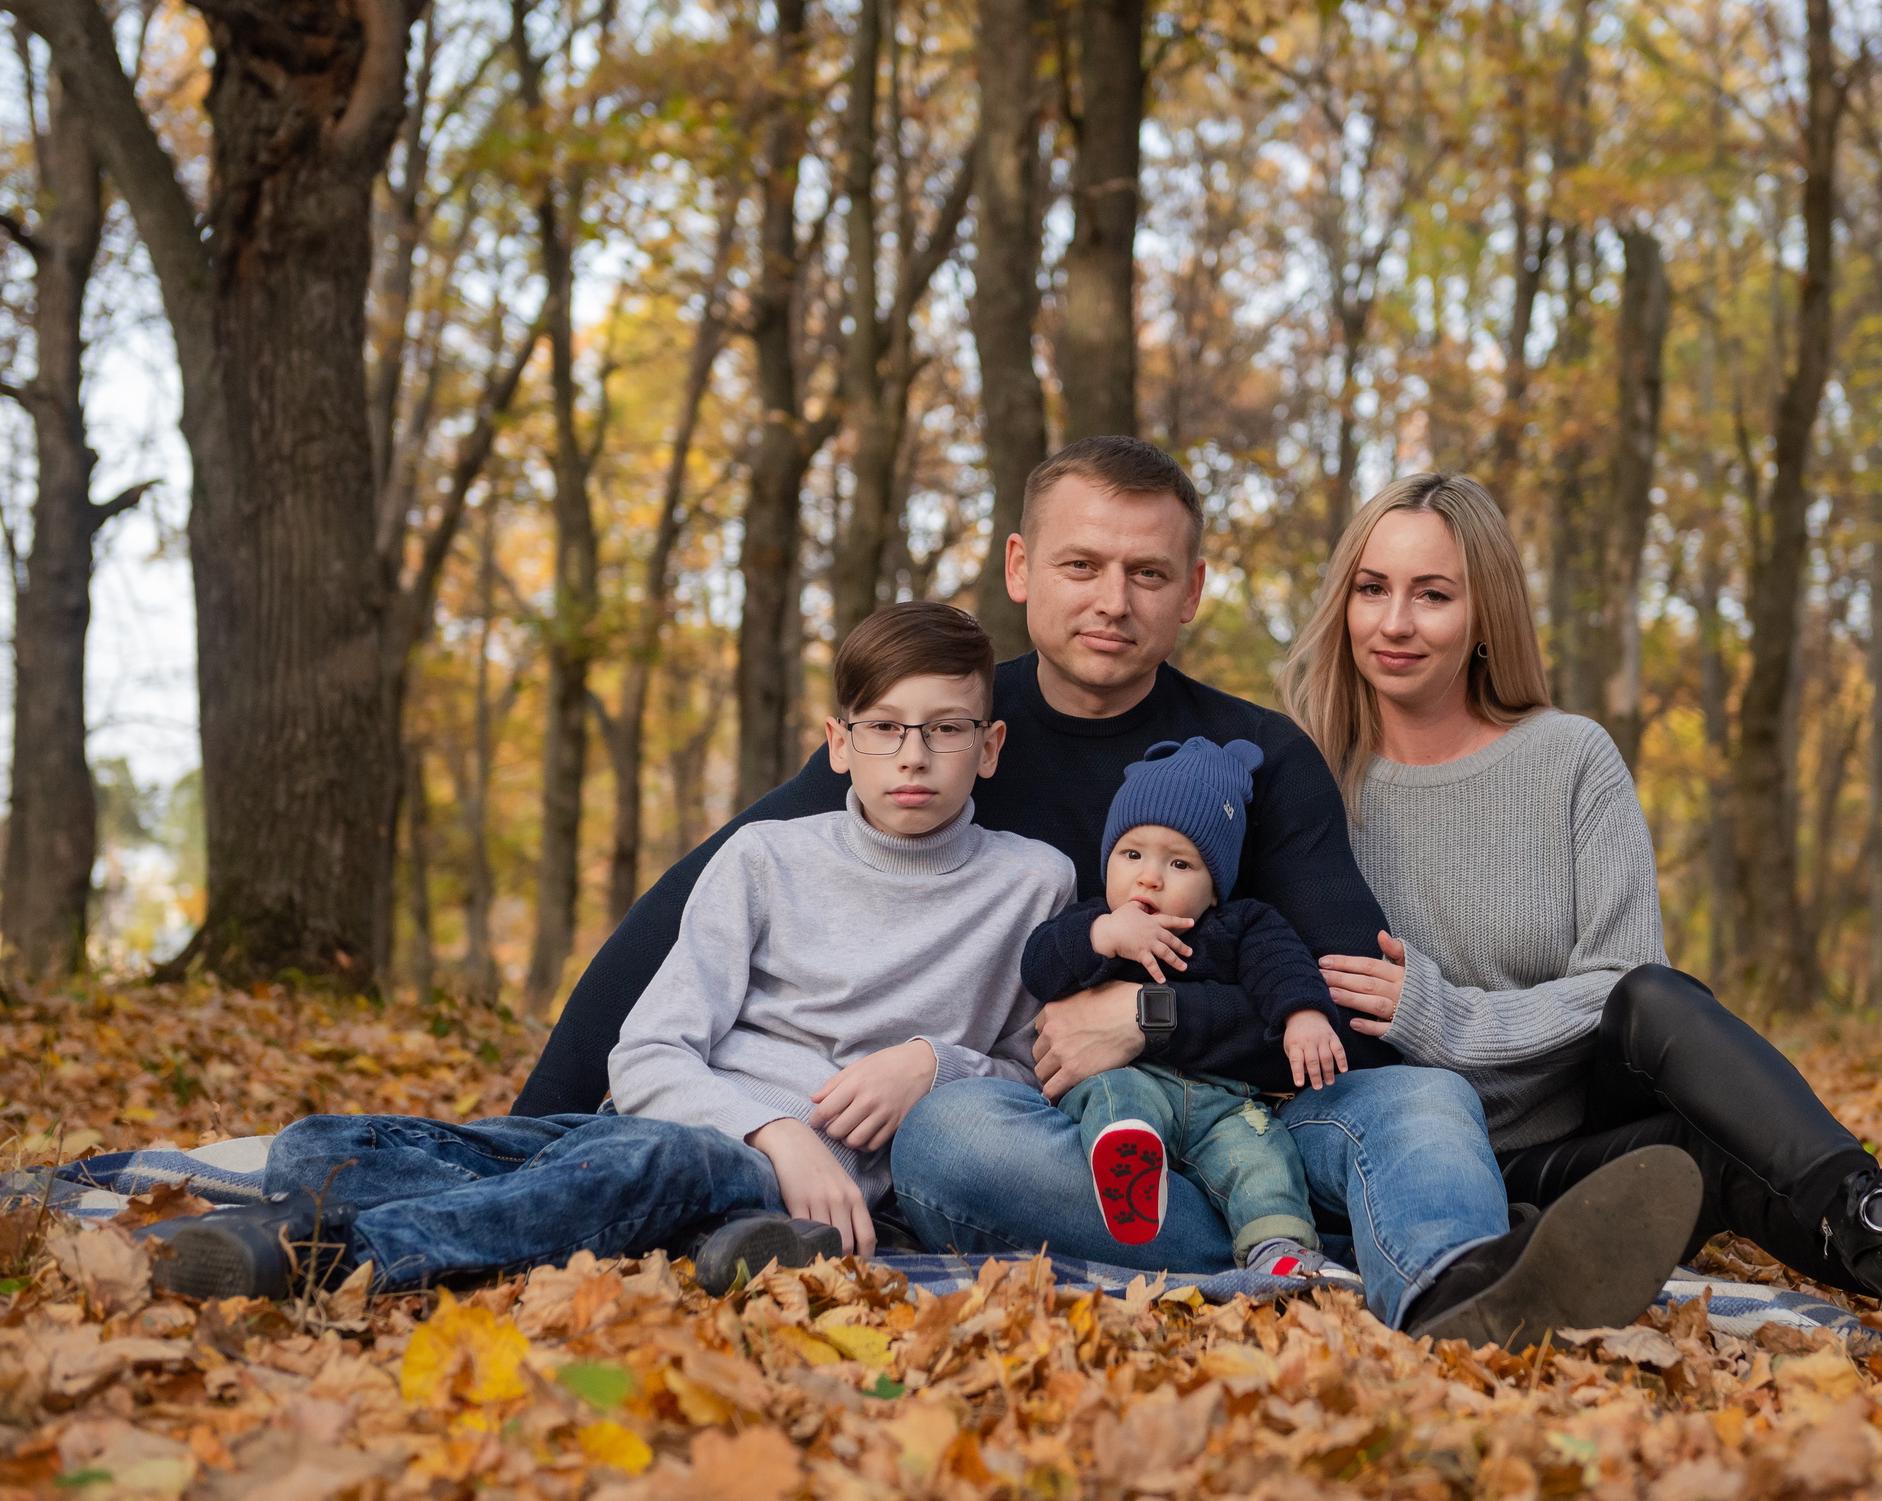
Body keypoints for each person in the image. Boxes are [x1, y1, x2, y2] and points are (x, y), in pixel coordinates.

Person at [524, 436, 1701, 1347]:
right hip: (1067, 1128)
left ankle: (1460, 1287)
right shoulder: (943, 730)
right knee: (951, 1138)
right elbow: (691, 905)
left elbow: (1347, 1003)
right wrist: (538, 1131)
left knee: (1425, 1099)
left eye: (1147, 572)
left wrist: (1149, 1018)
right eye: (1081, 565)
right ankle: (1288, 1246)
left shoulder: (1253, 758)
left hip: (1267, 1104)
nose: (1111, 599)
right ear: (1021, 570)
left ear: (1191, 590)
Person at [1284, 471, 1882, 1350]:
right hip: (1453, 1177)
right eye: (1372, 588)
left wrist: (1446, 1012)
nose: (1395, 621)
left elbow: (1618, 986)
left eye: (1433, 593)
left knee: (1658, 996)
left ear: (1485, 613)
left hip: (1587, 1126)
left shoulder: (1570, 757)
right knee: (1730, 1152)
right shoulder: (1307, 786)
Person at [140, 604, 1071, 1299]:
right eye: (885, 727)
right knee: (329, 1141)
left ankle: (325, 1254)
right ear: (840, 742)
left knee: (657, 1169)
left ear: (987, 747)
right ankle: (721, 1239)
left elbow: (1036, 1077)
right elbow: (648, 1052)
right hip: (688, 1131)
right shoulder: (764, 858)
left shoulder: (1034, 885)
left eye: (946, 728)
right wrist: (773, 1125)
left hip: (751, 1169)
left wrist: (931, 1063)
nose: (914, 754)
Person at [1023, 736, 1357, 1279]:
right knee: (1114, 1094)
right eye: (1131, 855)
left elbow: (1283, 967)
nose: (1149, 876)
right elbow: (1038, 965)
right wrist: (1104, 934)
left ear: (1214, 887)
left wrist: (1304, 1015)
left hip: (1222, 1100)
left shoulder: (1241, 925)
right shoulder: (1090, 923)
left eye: (1179, 863)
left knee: (1264, 1157)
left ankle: (1281, 1252)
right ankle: (1130, 1169)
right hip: (1127, 1079)